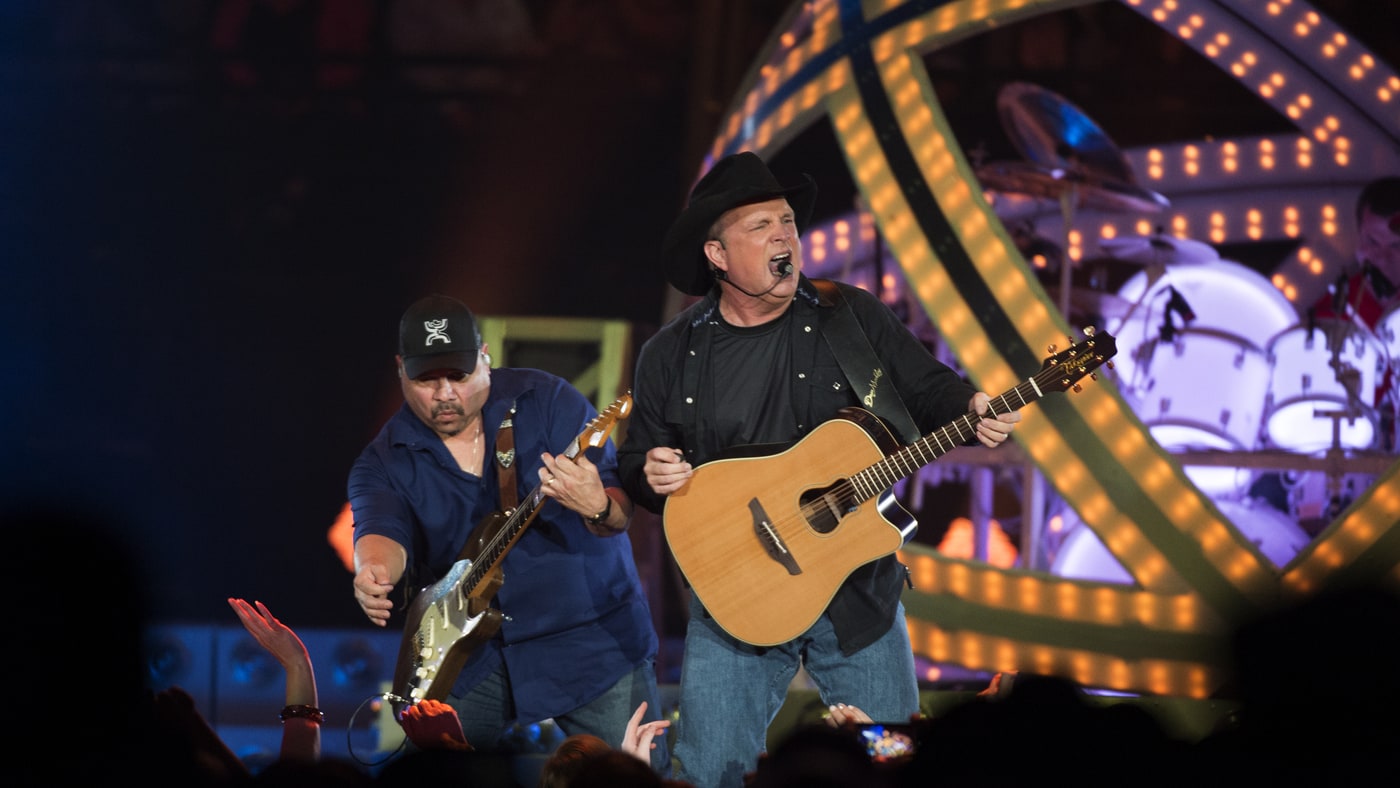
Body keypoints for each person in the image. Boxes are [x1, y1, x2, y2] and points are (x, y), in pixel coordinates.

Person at [617, 151, 1022, 787]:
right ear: (717, 256)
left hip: (856, 593)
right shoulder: (673, 352)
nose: (784, 236)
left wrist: (973, 405)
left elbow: (928, 388)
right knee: (707, 775)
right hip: (738, 600)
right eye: (761, 226)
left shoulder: (849, 315)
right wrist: (652, 471)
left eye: (788, 223)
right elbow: (638, 460)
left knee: (894, 763)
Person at [348, 294, 670, 775]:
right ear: (400, 370)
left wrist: (598, 505)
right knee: (423, 777)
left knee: (638, 780)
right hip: (473, 655)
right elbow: (380, 530)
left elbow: (618, 512)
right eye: (426, 380)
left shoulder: (547, 400)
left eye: (458, 375)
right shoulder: (383, 459)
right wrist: (372, 571)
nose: (444, 395)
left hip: (591, 638)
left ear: (485, 359)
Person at [1309, 175, 1400, 451]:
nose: (1383, 257)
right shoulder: (1333, 309)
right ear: (1358, 239)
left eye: (1397, 246)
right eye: (1373, 242)